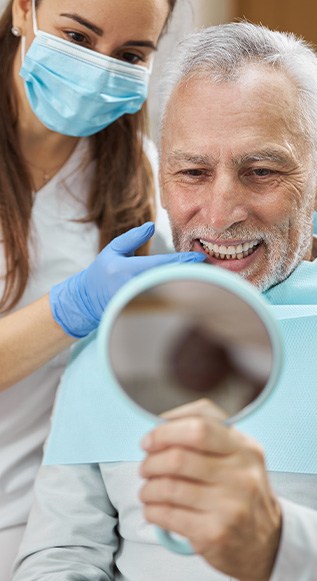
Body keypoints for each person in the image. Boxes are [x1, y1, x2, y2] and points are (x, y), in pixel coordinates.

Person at [14, 21, 317, 581]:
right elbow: (59, 556)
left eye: (262, 172)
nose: (222, 212)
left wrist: (280, 546)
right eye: (193, 172)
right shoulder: (108, 346)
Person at [0, 0, 218, 576]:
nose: (98, 68)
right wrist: (74, 307)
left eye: (129, 55)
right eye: (76, 35)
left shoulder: (139, 178)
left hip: (59, 520)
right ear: (24, 10)